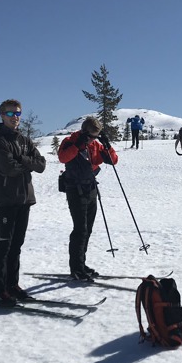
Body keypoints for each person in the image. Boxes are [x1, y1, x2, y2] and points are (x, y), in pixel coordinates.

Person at [0, 99, 46, 306]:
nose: (15, 118)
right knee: (4, 245)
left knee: (16, 246)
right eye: (11, 114)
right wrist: (25, 162)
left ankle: (13, 285)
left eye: (18, 114)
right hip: (6, 201)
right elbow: (8, 169)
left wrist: (22, 160)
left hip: (24, 200)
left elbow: (41, 165)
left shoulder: (23, 140)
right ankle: (0, 291)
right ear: (2, 116)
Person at [58, 116, 119, 280]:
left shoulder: (95, 145)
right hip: (75, 190)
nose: (93, 139)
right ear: (84, 132)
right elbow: (63, 157)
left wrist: (107, 146)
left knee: (88, 229)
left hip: (91, 189)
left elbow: (113, 161)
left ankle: (81, 264)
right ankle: (76, 268)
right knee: (80, 230)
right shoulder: (70, 141)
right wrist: (78, 146)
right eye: (92, 136)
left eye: (96, 136)